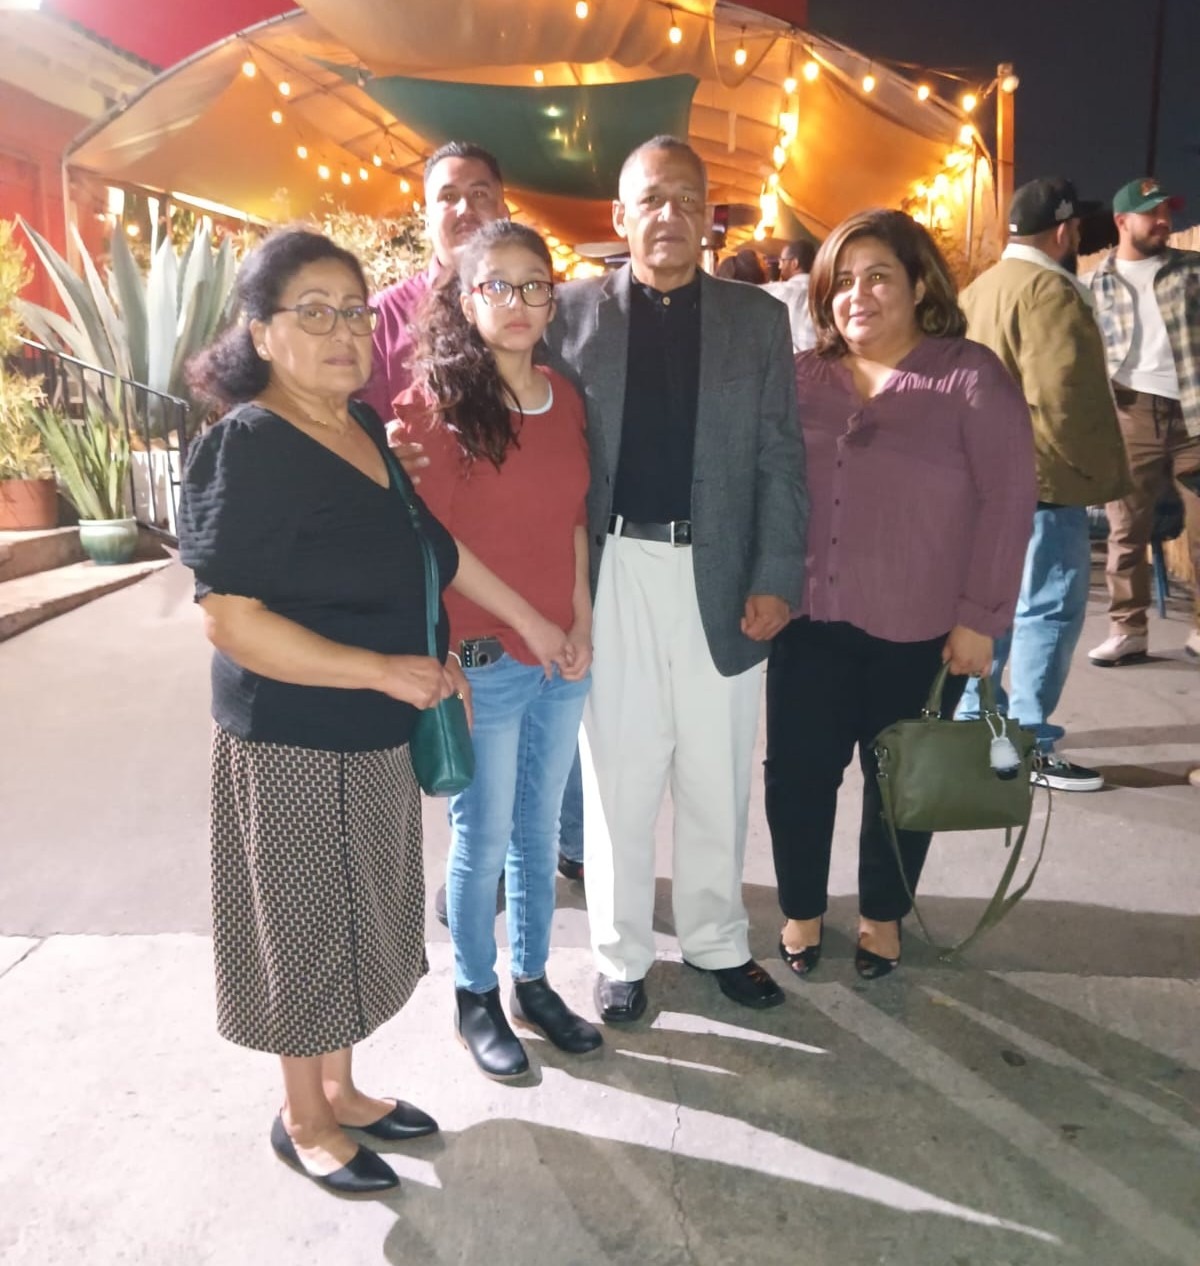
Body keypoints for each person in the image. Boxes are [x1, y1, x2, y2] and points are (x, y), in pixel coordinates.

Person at [179, 228, 568, 1195]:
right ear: (260, 333)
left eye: (354, 311)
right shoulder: (247, 445)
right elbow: (230, 620)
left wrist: (465, 644)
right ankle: (303, 1118)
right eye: (313, 313)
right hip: (291, 738)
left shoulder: (358, 428)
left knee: (356, 918)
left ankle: (343, 1091)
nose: (343, 332)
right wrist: (379, 670)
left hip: (374, 729)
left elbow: (433, 549)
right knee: (304, 929)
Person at [545, 136, 808, 1021]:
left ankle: (717, 940)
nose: (671, 216)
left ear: (709, 218)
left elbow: (780, 455)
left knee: (716, 770)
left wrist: (776, 573)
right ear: (620, 217)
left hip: (722, 569)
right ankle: (620, 956)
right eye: (653, 200)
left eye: (688, 200)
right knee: (617, 773)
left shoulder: (755, 319)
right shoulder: (569, 315)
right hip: (612, 568)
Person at [765, 209, 1035, 980]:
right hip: (808, 621)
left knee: (900, 783)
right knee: (798, 777)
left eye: (879, 276)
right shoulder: (801, 377)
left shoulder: (968, 376)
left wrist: (981, 620)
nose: (858, 295)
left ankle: (882, 916)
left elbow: (1009, 500)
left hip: (919, 630)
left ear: (919, 285)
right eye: (842, 282)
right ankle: (801, 910)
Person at [390, 220, 600, 1079]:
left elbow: (574, 519)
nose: (518, 302)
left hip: (561, 658)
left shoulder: (564, 397)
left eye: (535, 284)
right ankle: (473, 993)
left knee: (540, 831)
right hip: (485, 658)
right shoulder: (434, 408)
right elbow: (442, 547)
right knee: (483, 838)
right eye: (497, 286)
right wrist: (533, 626)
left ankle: (532, 981)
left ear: (554, 299)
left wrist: (580, 622)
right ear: (466, 299)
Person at [957, 177, 1129, 792]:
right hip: (1043, 482)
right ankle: (1029, 741)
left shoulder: (978, 289)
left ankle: (976, 730)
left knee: (989, 610)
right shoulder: (1051, 292)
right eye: (1076, 227)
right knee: (1048, 609)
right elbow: (1064, 402)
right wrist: (1102, 477)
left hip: (980, 483)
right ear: (1062, 230)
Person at [1085, 177, 1200, 666]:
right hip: (1131, 414)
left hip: (1193, 417)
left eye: (1167, 211)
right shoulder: (1096, 283)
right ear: (1122, 221)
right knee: (1126, 530)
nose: (1163, 221)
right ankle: (1128, 630)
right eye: (1151, 212)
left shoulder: (1192, 270)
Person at [360, 140, 509, 426]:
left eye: (479, 194)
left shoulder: (532, 305)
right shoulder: (383, 318)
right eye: (448, 197)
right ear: (427, 220)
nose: (465, 209)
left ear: (503, 213)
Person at [763, 239, 818, 352]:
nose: (779, 266)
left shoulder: (779, 291)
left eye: (782, 261)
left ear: (794, 263)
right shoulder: (828, 294)